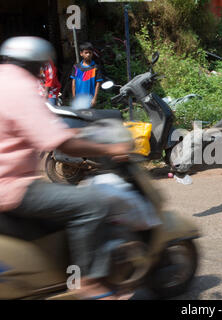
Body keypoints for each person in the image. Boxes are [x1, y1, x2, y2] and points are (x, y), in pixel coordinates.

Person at [0, 36, 132, 300]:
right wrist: (111, 149)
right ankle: (90, 284)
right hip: (11, 187)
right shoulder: (22, 87)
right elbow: (61, 143)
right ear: (37, 64)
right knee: (92, 203)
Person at [71, 42, 103, 107]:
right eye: (86, 53)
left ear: (92, 53)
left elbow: (98, 84)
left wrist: (94, 98)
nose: (88, 54)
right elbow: (73, 84)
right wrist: (74, 97)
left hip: (89, 99)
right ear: (81, 53)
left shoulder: (95, 67)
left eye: (90, 53)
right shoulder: (76, 67)